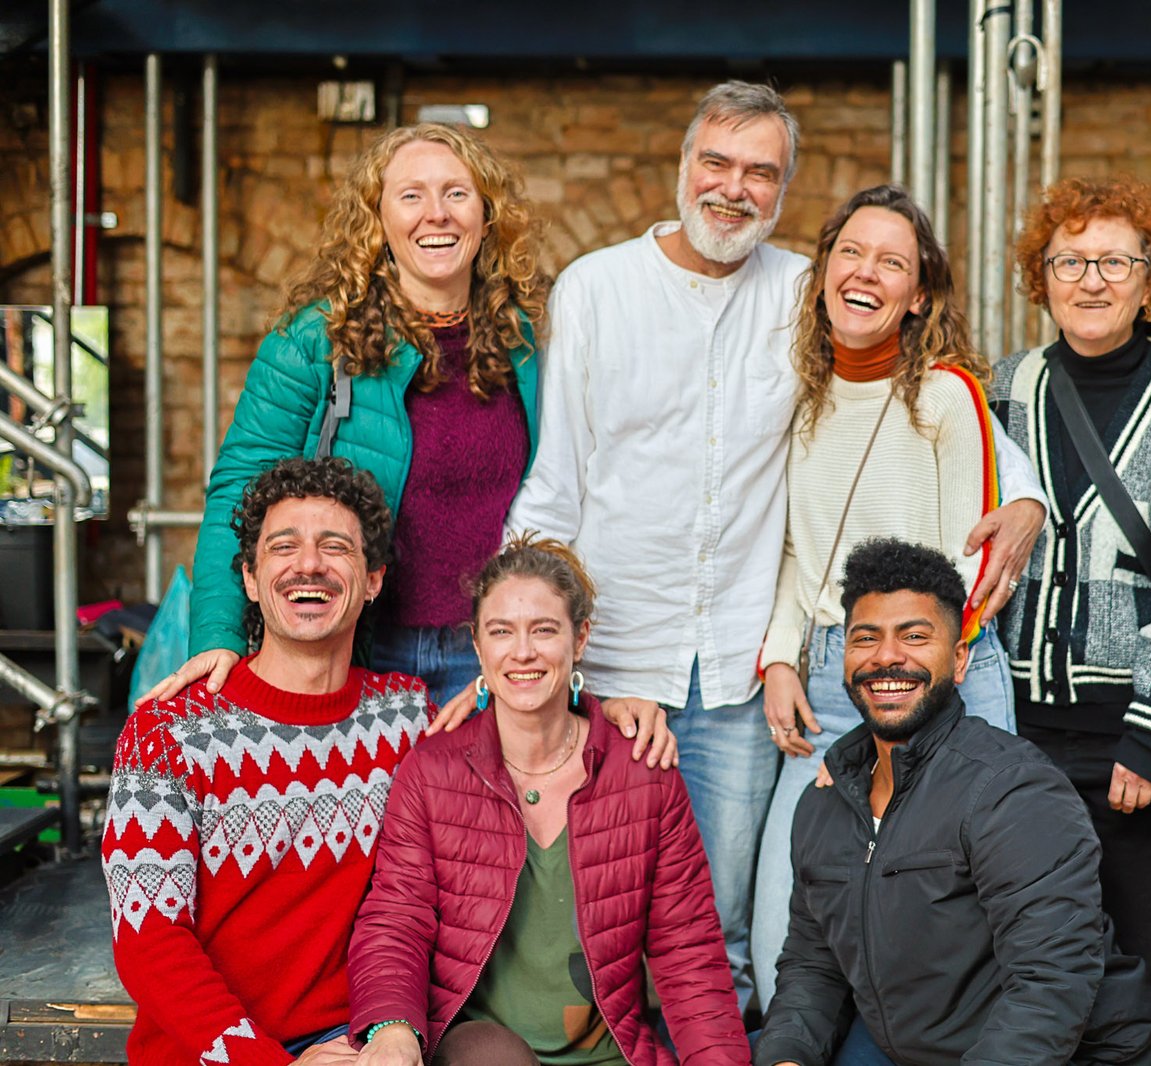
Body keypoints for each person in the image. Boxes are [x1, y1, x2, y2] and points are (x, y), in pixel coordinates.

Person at [504, 81, 1045, 1006]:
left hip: (742, 685)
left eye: (762, 173)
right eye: (716, 163)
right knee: (597, 922)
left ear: (785, 192)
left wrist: (1029, 497)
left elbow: (928, 390)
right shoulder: (596, 288)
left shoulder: (807, 289)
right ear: (683, 169)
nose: (733, 188)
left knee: (728, 930)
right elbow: (555, 484)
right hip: (618, 669)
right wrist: (543, 653)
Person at [153, 122, 548, 708]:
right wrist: (219, 635)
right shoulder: (315, 339)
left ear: (486, 215)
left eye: (456, 193)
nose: (435, 214)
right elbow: (240, 488)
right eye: (411, 195)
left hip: (486, 655)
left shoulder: (526, 341)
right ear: (379, 220)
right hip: (357, 648)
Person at [749, 184, 1020, 1006]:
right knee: (784, 916)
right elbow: (799, 553)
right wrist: (781, 662)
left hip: (944, 680)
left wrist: (911, 678)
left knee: (955, 919)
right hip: (830, 677)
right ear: (825, 269)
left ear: (919, 294)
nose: (866, 273)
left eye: (892, 262)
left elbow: (974, 566)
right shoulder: (801, 400)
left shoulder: (944, 397)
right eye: (851, 253)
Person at [755, 538, 1151, 1066]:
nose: (886, 657)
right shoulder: (825, 803)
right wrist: (787, 1057)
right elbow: (814, 966)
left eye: (915, 636)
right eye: (866, 638)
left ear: (960, 658)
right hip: (917, 1050)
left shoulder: (1013, 790)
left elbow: (1050, 987)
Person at [347, 535, 749, 1066]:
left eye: (544, 629)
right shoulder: (432, 771)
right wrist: (393, 1028)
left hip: (611, 1055)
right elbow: (396, 918)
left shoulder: (643, 774)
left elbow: (688, 953)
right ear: (477, 645)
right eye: (501, 632)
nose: (523, 651)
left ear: (579, 639)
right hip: (483, 1054)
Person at [101, 456, 432, 1065]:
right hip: (212, 1055)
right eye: (284, 547)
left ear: (374, 578)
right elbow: (149, 939)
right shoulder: (167, 730)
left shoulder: (410, 717)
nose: (309, 564)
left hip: (357, 1049)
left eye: (335, 546)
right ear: (250, 579)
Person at [988, 176, 1151, 1063]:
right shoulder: (1008, 387)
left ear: (1149, 279)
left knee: (1146, 964)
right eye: (1069, 261)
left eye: (1114, 261)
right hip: (1017, 731)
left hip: (1132, 741)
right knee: (1027, 959)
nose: (1091, 280)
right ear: (1041, 278)